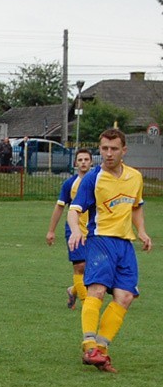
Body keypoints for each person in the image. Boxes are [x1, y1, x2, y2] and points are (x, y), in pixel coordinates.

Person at [67, 128, 152, 374]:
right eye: (104, 148)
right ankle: (89, 343)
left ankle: (100, 349)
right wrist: (75, 230)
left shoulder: (135, 177)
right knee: (97, 290)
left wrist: (143, 232)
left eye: (114, 148)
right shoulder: (93, 178)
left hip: (125, 244)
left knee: (125, 297)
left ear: (124, 150)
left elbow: (136, 207)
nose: (108, 153)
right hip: (101, 240)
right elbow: (75, 210)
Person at [46, 148, 93, 310]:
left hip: (94, 231)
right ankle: (87, 304)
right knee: (79, 266)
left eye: (86, 159)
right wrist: (51, 231)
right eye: (80, 160)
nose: (83, 163)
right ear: (75, 163)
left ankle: (73, 290)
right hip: (74, 231)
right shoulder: (69, 184)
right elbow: (59, 207)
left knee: (92, 267)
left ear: (91, 162)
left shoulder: (98, 181)